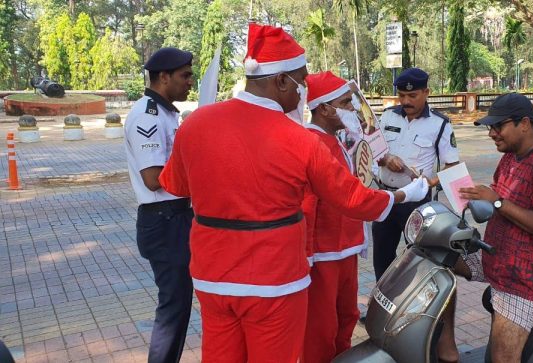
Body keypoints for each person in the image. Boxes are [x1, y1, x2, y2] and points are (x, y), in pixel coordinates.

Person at [157, 23, 429, 363]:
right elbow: (352, 200)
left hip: (212, 277)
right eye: (301, 82)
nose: (303, 92)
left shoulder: (195, 124)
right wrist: (404, 194)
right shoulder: (299, 139)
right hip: (274, 279)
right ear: (281, 81)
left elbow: (175, 185)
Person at [447, 93, 533, 363]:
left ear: (525, 124)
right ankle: (445, 350)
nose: (492, 133)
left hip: (526, 278)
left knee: (502, 358)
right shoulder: (511, 156)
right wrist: (478, 199)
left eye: (498, 126)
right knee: (436, 256)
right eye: (489, 127)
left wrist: (496, 202)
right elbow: (501, 200)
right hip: (497, 258)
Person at [123, 47, 195, 363]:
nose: (190, 82)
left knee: (179, 303)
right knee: (173, 306)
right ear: (163, 77)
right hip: (164, 220)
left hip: (176, 218)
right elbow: (154, 177)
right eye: (185, 75)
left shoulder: (166, 113)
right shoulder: (146, 116)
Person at [301, 71, 369, 362]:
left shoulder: (335, 139)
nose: (352, 108)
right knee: (321, 327)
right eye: (345, 102)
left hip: (345, 249)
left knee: (346, 316)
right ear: (325, 109)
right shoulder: (310, 142)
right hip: (323, 253)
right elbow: (306, 204)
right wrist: (307, 255)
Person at [373, 67, 461, 281]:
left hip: (417, 203)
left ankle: (414, 310)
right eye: (402, 95)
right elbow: (372, 150)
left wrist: (427, 183)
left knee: (419, 257)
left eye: (412, 95)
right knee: (382, 257)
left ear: (426, 92)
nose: (406, 101)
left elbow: (452, 166)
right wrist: (385, 159)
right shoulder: (387, 117)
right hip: (386, 199)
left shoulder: (440, 124)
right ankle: (382, 310)